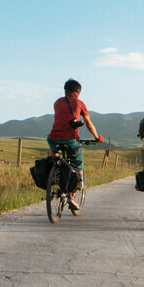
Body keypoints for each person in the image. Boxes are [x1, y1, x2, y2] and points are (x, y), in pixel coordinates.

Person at [47, 79, 104, 207]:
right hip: (71, 139)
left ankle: (54, 173)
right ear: (78, 92)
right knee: (77, 165)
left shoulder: (57, 102)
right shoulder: (80, 103)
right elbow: (88, 123)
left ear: (65, 91)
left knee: (53, 147)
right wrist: (97, 136)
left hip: (54, 138)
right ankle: (72, 196)